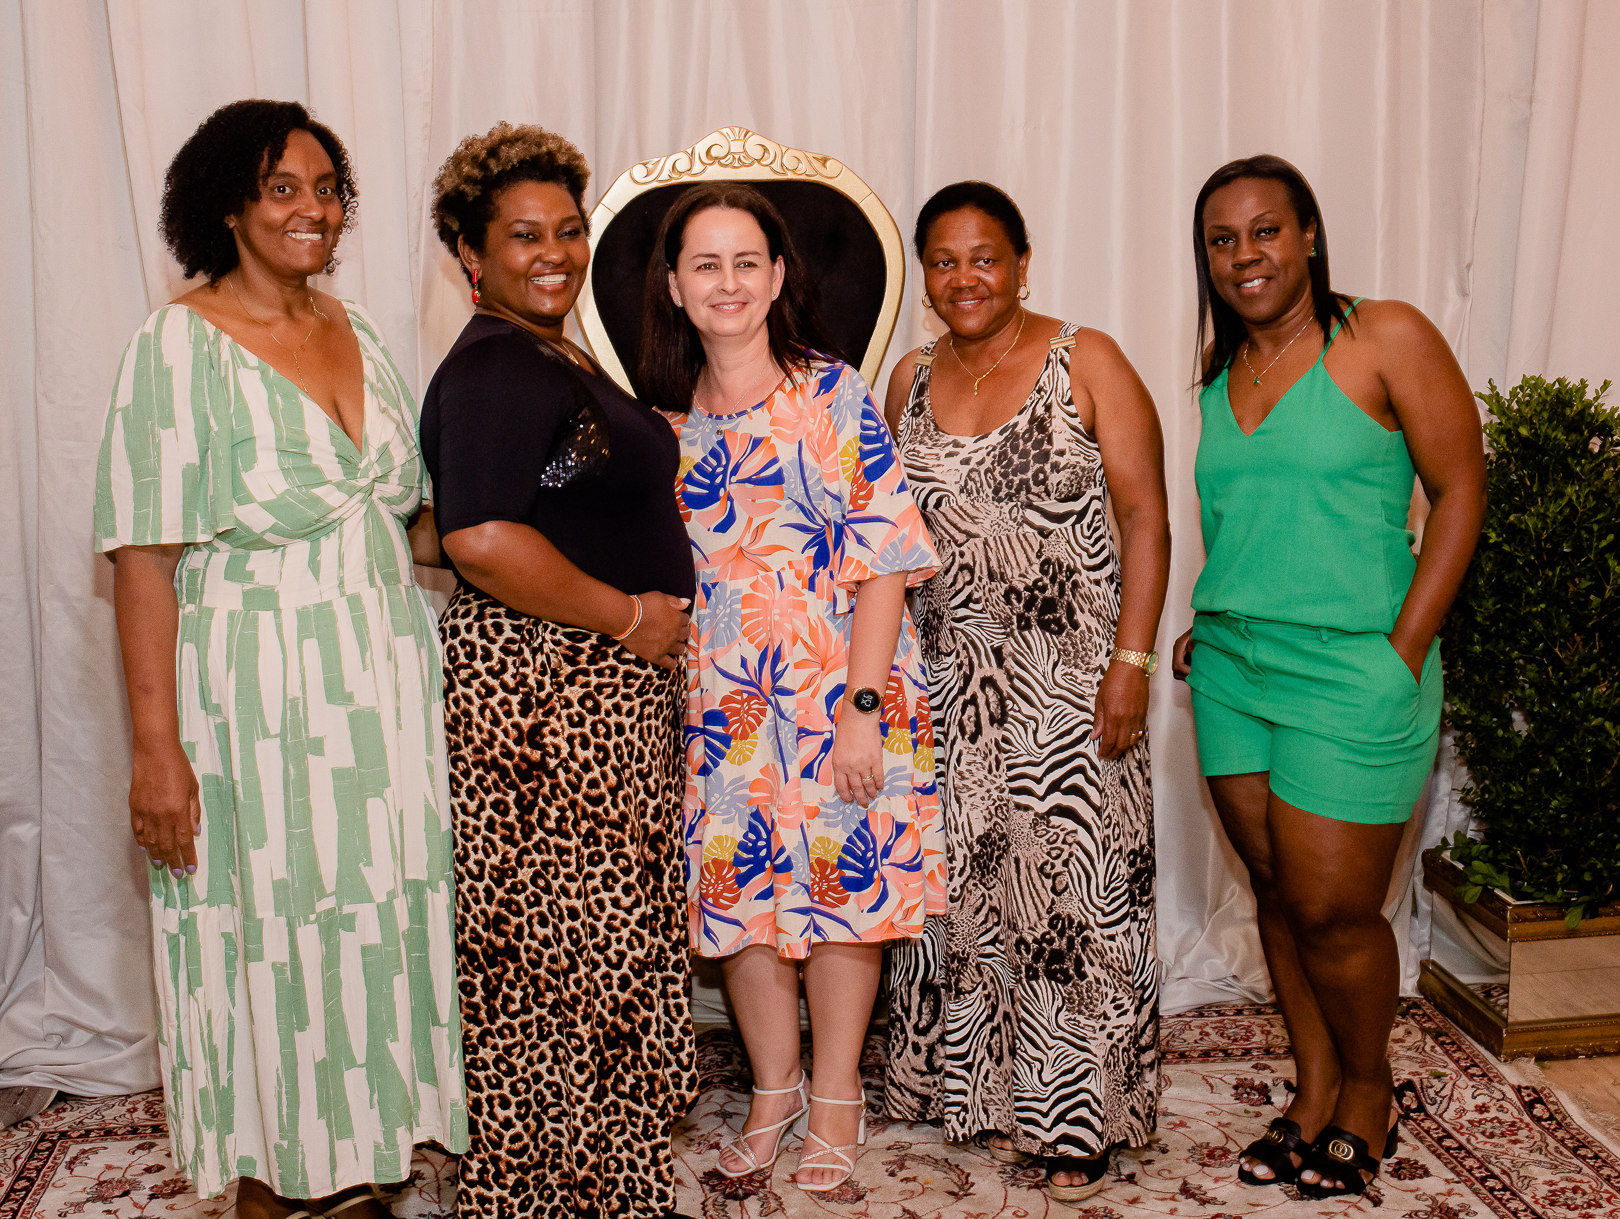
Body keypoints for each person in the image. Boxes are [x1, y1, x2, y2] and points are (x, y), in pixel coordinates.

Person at [94, 100, 466, 1219]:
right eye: (283, 188)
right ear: (227, 206)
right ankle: (271, 1180)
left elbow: (415, 524)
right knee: (267, 928)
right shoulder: (176, 345)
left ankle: (360, 1165)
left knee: (373, 917)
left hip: (383, 687)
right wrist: (156, 751)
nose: (314, 209)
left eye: (327, 188)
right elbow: (142, 560)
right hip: (254, 695)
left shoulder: (359, 331)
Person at [1172, 154, 1485, 1199]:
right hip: (1235, 668)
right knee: (1275, 893)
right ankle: (1311, 1092)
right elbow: (1254, 520)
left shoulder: (1382, 336)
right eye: (1222, 240)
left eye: (1265, 230)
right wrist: (1210, 615)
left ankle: (1368, 1092)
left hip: (1355, 667)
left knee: (1333, 907)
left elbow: (1460, 490)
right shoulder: (1222, 374)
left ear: (1308, 234)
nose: (1244, 255)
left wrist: (1405, 648)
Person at [634, 183, 945, 1195]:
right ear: (675, 287)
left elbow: (886, 559)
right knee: (744, 899)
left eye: (744, 262)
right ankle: (774, 1090)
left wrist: (861, 711)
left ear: (775, 278)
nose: (726, 282)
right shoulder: (663, 426)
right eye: (705, 264)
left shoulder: (831, 392)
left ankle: (838, 1094)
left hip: (839, 683)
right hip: (725, 703)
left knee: (846, 892)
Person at [421, 122, 698, 1219]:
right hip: (549, 691)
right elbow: (479, 536)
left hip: (588, 683)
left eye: (568, 230)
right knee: (557, 955)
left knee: (600, 940)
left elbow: (534, 495)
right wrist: (627, 615)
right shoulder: (497, 362)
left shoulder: (551, 352)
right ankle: (549, 1190)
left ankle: (604, 1177)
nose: (555, 252)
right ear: (470, 254)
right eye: (523, 235)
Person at [877, 181, 1171, 1204]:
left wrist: (1132, 662)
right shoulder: (910, 377)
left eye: (985, 257)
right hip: (943, 679)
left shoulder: (1087, 361)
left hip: (1070, 680)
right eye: (944, 260)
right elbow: (885, 536)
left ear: (1023, 263)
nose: (965, 277)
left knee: (1070, 901)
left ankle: (1079, 1118)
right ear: (926, 275)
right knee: (961, 896)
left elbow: (1145, 518)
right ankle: (976, 1094)